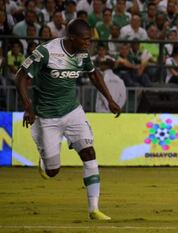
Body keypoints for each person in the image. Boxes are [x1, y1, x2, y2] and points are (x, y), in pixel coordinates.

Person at [15, 19, 121, 220]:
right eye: (85, 39)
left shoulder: (81, 52)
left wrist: (110, 99)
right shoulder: (46, 52)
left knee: (89, 154)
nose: (88, 43)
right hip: (47, 117)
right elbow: (21, 76)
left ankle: (94, 209)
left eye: (90, 39)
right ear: (72, 38)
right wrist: (28, 106)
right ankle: (46, 161)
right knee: (53, 171)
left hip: (72, 111)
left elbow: (93, 74)